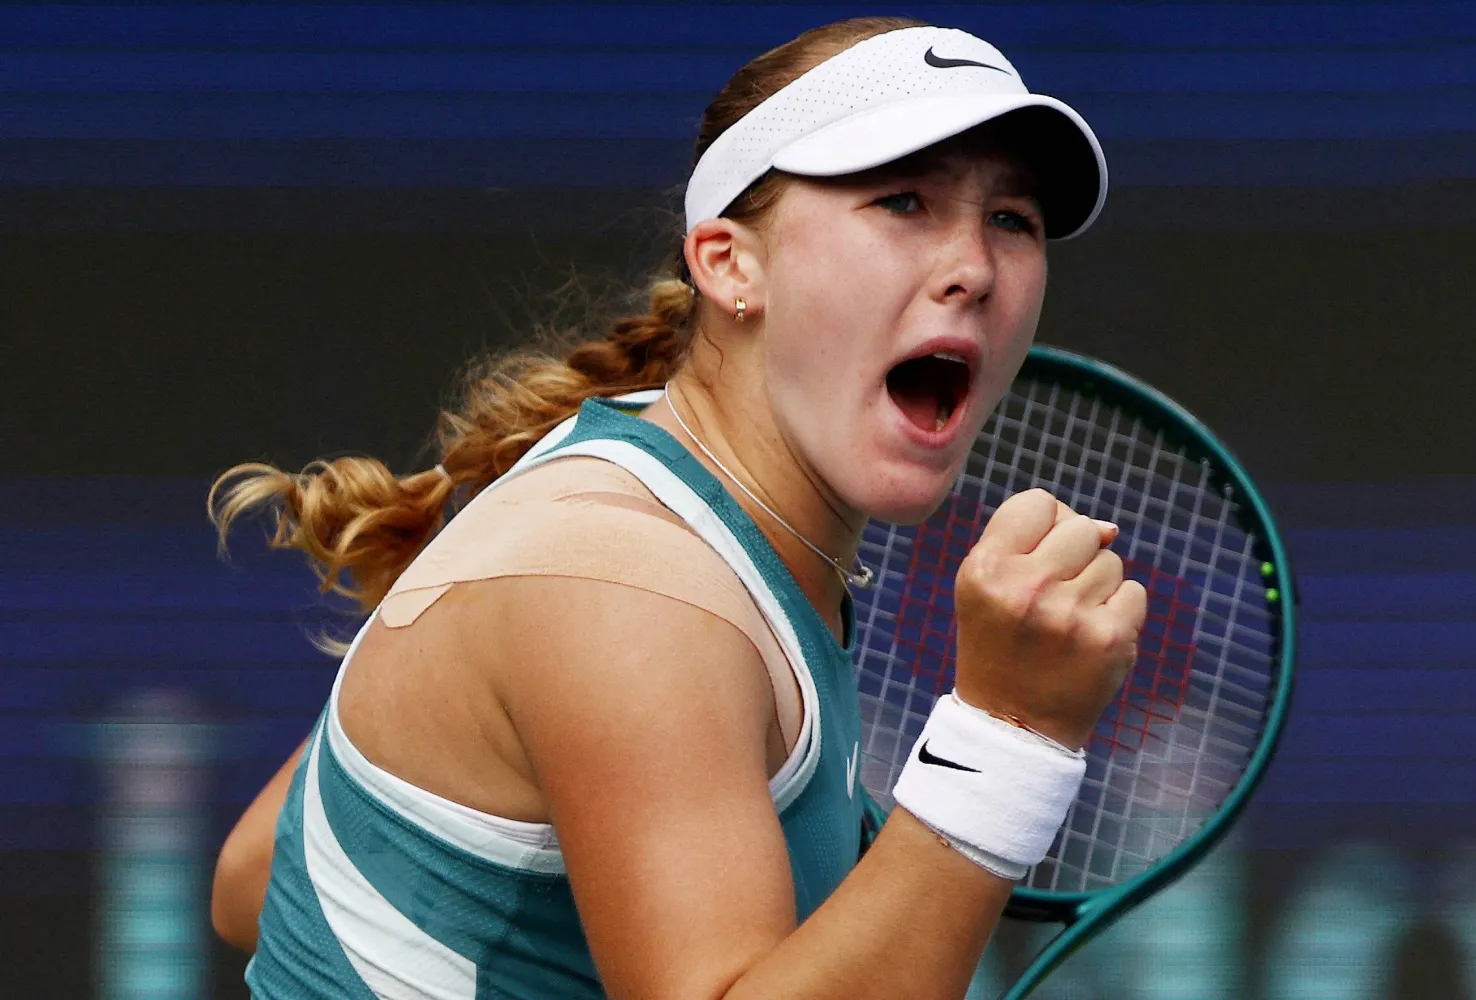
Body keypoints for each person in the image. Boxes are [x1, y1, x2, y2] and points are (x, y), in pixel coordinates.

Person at [208, 16, 1146, 1000]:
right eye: (903, 200)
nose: (975, 266)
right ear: (729, 261)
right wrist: (1005, 735)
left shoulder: (627, 496)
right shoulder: (627, 587)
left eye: (1014, 220)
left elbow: (253, 878)